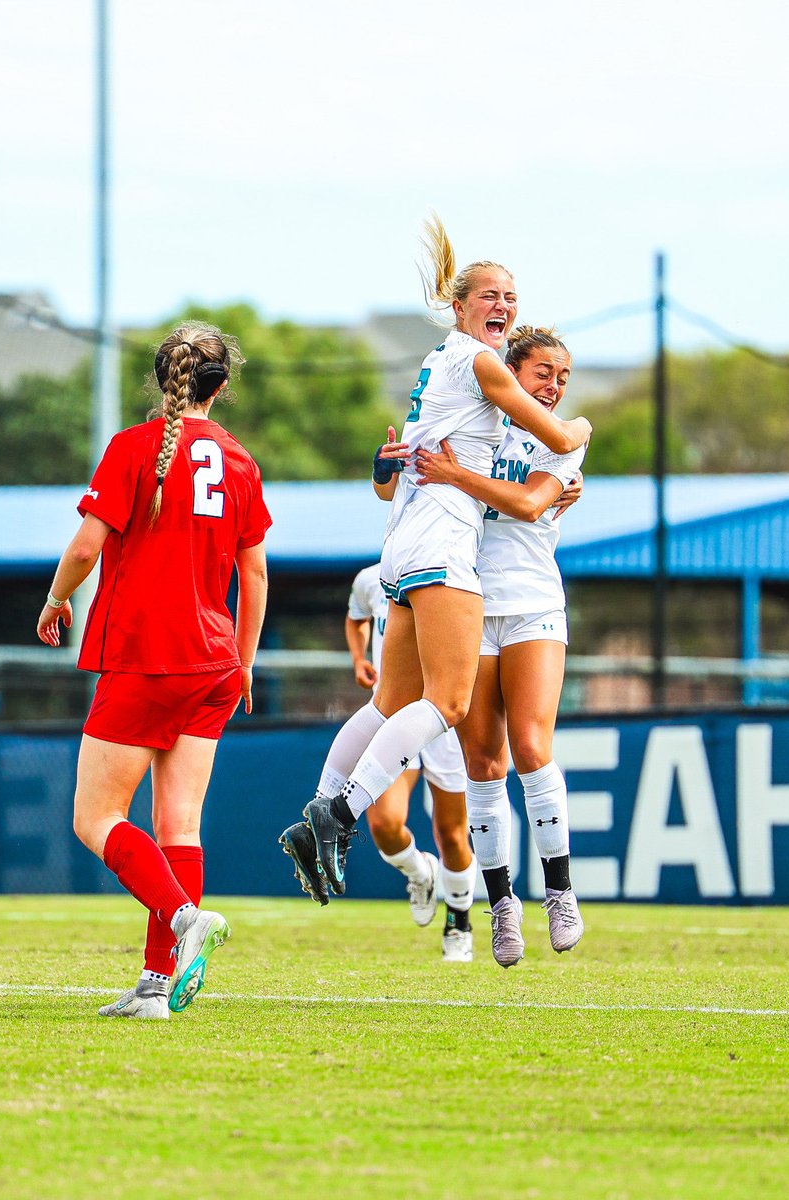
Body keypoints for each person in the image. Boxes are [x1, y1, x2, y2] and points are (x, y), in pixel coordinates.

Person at [279, 214, 591, 906]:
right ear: (459, 306)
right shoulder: (480, 363)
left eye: (511, 297)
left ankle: (320, 808)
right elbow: (559, 431)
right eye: (489, 296)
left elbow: (394, 472)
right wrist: (580, 433)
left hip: (402, 543)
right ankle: (339, 817)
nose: (503, 306)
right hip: (443, 545)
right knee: (447, 704)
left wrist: (387, 470)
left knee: (389, 702)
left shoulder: (437, 361)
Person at [36, 323, 270, 1019]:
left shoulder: (134, 448)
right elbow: (254, 573)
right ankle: (155, 987)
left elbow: (84, 548)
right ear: (220, 387)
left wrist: (53, 602)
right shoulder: (239, 461)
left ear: (159, 379)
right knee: (180, 825)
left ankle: (181, 915)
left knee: (95, 817)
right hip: (214, 661)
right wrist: (245, 661)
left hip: (147, 656)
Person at [414, 326, 586, 968]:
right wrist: (397, 469)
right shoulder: (471, 421)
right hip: (471, 603)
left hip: (535, 603)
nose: (555, 385)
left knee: (533, 748)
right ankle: (503, 905)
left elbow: (525, 502)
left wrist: (457, 475)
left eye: (563, 375)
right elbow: (398, 479)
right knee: (483, 765)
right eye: (543, 372)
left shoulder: (564, 437)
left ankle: (561, 892)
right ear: (509, 375)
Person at [345, 562, 475, 962]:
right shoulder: (372, 579)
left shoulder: (458, 575)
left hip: (443, 718)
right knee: (383, 825)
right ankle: (420, 874)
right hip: (394, 717)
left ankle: (459, 918)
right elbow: (356, 617)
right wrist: (358, 657)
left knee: (452, 834)